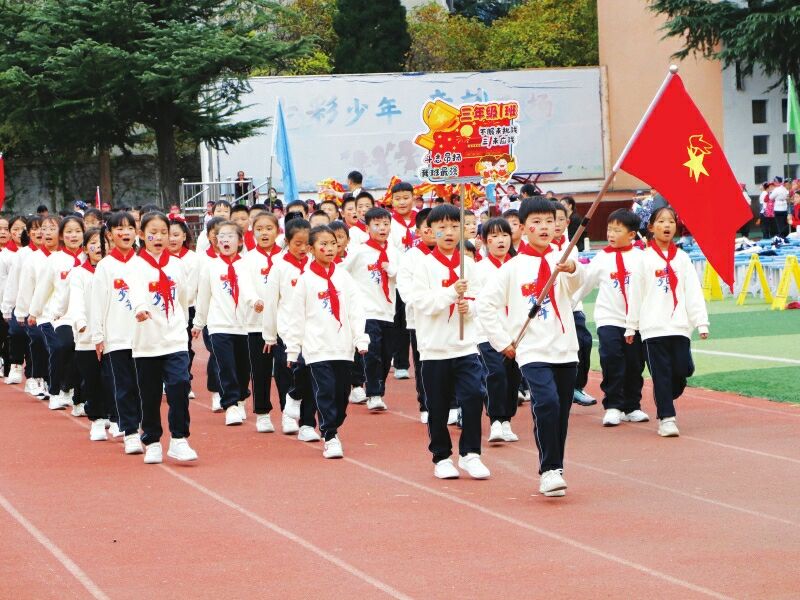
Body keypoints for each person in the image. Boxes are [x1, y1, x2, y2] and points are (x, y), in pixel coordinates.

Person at [477, 198, 585, 497]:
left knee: (560, 411)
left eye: (550, 221)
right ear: (523, 229)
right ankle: (548, 470)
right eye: (536, 222)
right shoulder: (511, 269)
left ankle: (556, 467)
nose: (544, 227)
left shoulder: (563, 258)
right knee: (546, 403)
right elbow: (485, 305)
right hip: (532, 350)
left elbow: (579, 286)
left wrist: (573, 269)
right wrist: (503, 342)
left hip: (565, 346)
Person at [410, 204, 489, 480]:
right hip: (435, 349)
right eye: (442, 227)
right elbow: (422, 303)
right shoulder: (423, 266)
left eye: (455, 227)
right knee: (439, 406)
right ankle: (442, 457)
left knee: (473, 396)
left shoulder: (469, 265)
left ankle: (471, 454)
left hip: (465, 346)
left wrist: (471, 306)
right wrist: (450, 293)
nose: (449, 232)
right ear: (431, 231)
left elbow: (482, 299)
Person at [282, 226, 369, 459]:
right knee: (325, 391)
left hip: (343, 347)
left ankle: (333, 424)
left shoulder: (344, 277)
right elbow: (296, 317)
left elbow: (356, 310)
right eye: (323, 244)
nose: (329, 248)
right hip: (316, 348)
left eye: (333, 243)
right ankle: (330, 436)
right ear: (311, 249)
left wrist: (360, 338)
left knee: (341, 395)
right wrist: (293, 350)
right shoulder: (305, 281)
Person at [625, 207, 709, 437]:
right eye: (661, 221)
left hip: (680, 326)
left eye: (671, 221)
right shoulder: (643, 259)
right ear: (651, 227)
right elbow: (635, 294)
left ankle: (665, 395)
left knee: (683, 369)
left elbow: (692, 291)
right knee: (660, 374)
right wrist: (631, 326)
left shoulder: (682, 258)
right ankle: (667, 418)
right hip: (652, 328)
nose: (667, 225)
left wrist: (701, 321)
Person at [130, 212, 197, 463]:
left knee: (180, 384)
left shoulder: (177, 265)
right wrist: (140, 309)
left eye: (163, 233)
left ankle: (179, 439)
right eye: (153, 233)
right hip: (147, 340)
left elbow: (184, 298)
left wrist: (181, 324)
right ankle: (153, 441)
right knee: (149, 394)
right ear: (141, 235)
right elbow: (136, 294)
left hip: (174, 337)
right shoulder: (136, 266)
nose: (159, 237)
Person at [576, 209, 647, 426]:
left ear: (632, 234)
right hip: (609, 319)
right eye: (609, 229)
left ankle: (632, 406)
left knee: (635, 363)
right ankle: (613, 405)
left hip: (635, 321)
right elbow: (584, 284)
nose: (611, 234)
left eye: (617, 230)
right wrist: (568, 304)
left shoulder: (642, 258)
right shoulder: (601, 258)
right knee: (611, 359)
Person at [193, 221, 263, 426]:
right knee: (226, 366)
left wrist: (255, 302)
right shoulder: (210, 267)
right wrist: (198, 323)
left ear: (240, 241)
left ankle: (240, 398)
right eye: (221, 236)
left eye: (230, 236)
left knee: (243, 367)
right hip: (218, 325)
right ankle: (230, 405)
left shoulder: (247, 265)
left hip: (244, 326)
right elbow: (203, 297)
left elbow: (249, 289)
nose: (225, 240)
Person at [89, 211, 144, 455]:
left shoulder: (142, 264)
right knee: (123, 385)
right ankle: (130, 432)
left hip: (143, 337)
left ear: (136, 232)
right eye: (119, 229)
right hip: (116, 337)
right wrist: (98, 336)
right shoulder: (105, 266)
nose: (125, 232)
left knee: (143, 385)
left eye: (129, 228)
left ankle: (141, 425)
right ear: (110, 235)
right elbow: (97, 303)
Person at [262, 218, 320, 440]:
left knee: (311, 375)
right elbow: (271, 302)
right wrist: (269, 335)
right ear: (287, 242)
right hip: (286, 331)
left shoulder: (315, 264)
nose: (303, 248)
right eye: (297, 243)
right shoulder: (279, 266)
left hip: (312, 331)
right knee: (287, 374)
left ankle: (308, 423)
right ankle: (287, 414)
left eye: (307, 244)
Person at [28, 216, 85, 411]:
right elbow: (43, 288)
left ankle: (76, 397)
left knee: (82, 355)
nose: (73, 236)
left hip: (85, 316)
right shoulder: (54, 260)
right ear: (61, 236)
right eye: (68, 232)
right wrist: (34, 312)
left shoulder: (89, 258)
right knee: (63, 347)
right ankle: (54, 391)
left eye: (77, 231)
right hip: (62, 316)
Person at [344, 206, 398, 412]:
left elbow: (403, 277)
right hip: (366, 310)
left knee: (386, 355)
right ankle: (374, 394)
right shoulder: (359, 251)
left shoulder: (394, 252)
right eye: (377, 224)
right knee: (372, 352)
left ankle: (376, 388)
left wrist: (391, 269)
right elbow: (341, 271)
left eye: (386, 224)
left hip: (388, 311)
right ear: (367, 228)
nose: (382, 228)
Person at [67, 227, 116, 441]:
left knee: (114, 379)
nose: (99, 247)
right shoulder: (79, 273)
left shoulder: (115, 270)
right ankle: (96, 420)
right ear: (85, 248)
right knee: (92, 379)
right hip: (87, 338)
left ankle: (115, 418)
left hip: (114, 336)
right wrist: (81, 323)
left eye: (102, 242)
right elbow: (76, 301)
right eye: (93, 243)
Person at [474, 217, 520, 443]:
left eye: (504, 235)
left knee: (512, 378)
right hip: (488, 334)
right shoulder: (478, 270)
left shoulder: (520, 265)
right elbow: (477, 304)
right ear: (484, 241)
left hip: (516, 333)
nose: (500, 240)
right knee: (496, 374)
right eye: (493, 236)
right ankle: (495, 421)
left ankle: (507, 420)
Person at [241, 212, 282, 433]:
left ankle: (288, 412)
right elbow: (245, 285)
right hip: (257, 323)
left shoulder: (285, 258)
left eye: (269, 228)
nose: (264, 233)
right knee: (260, 370)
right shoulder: (247, 260)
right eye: (259, 229)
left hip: (283, 325)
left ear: (277, 231)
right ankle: (263, 413)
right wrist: (253, 300)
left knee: (286, 370)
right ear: (252, 232)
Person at [552, 202, 595, 407]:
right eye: (552, 220)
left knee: (584, 342)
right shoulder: (540, 249)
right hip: (550, 308)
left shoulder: (572, 247)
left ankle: (577, 387)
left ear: (567, 222)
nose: (556, 224)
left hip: (572, 307)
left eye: (561, 219)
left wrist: (573, 303)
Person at [395, 208, 434, 422]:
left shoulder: (454, 254)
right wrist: (424, 303)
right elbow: (405, 287)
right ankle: (426, 405)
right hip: (420, 319)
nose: (434, 231)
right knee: (423, 363)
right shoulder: (411, 257)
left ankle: (453, 404)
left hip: (448, 319)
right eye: (428, 227)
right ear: (418, 231)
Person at [168, 217, 200, 399]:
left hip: (186, 308)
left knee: (184, 345)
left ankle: (185, 380)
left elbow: (192, 287)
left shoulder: (193, 259)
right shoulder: (159, 259)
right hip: (163, 309)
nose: (172, 239)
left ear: (184, 236)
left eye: (176, 235)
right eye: (169, 235)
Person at [388, 181, 417, 381]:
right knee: (399, 322)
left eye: (406, 198)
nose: (402, 202)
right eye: (397, 199)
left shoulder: (421, 220)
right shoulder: (389, 223)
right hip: (397, 277)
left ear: (413, 198)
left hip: (419, 277)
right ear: (392, 201)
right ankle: (401, 363)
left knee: (417, 320)